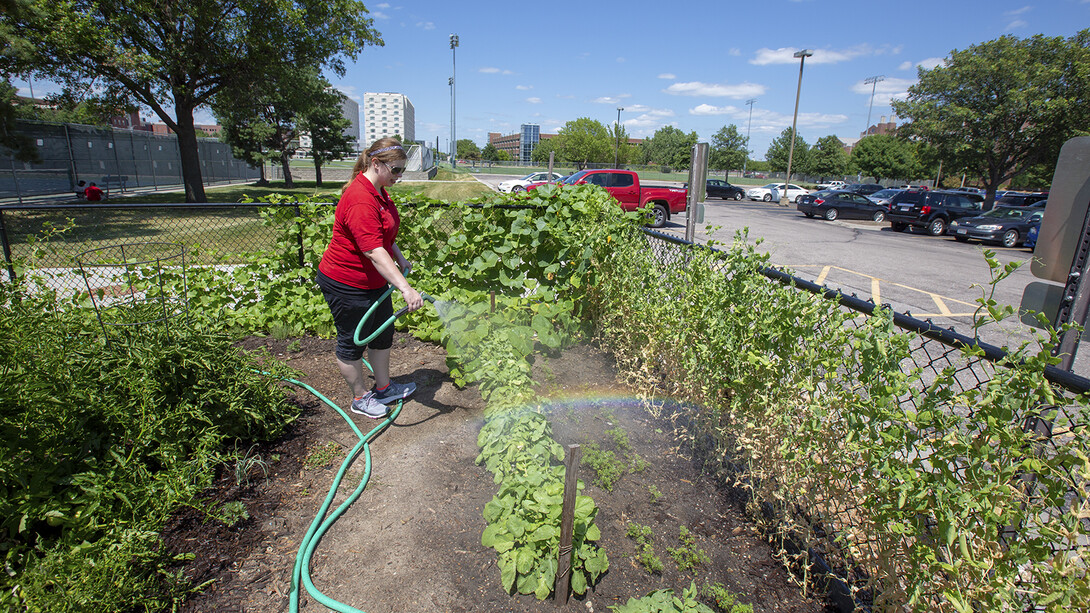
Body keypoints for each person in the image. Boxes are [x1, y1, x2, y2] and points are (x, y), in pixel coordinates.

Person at [316, 138, 423, 419]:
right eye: (396, 170)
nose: (399, 177)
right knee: (352, 342)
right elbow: (373, 250)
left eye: (402, 170)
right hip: (347, 282)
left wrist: (399, 256)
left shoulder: (378, 190)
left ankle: (384, 387)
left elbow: (383, 235)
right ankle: (360, 397)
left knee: (382, 336)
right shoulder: (360, 198)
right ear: (376, 164)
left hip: (374, 281)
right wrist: (405, 288)